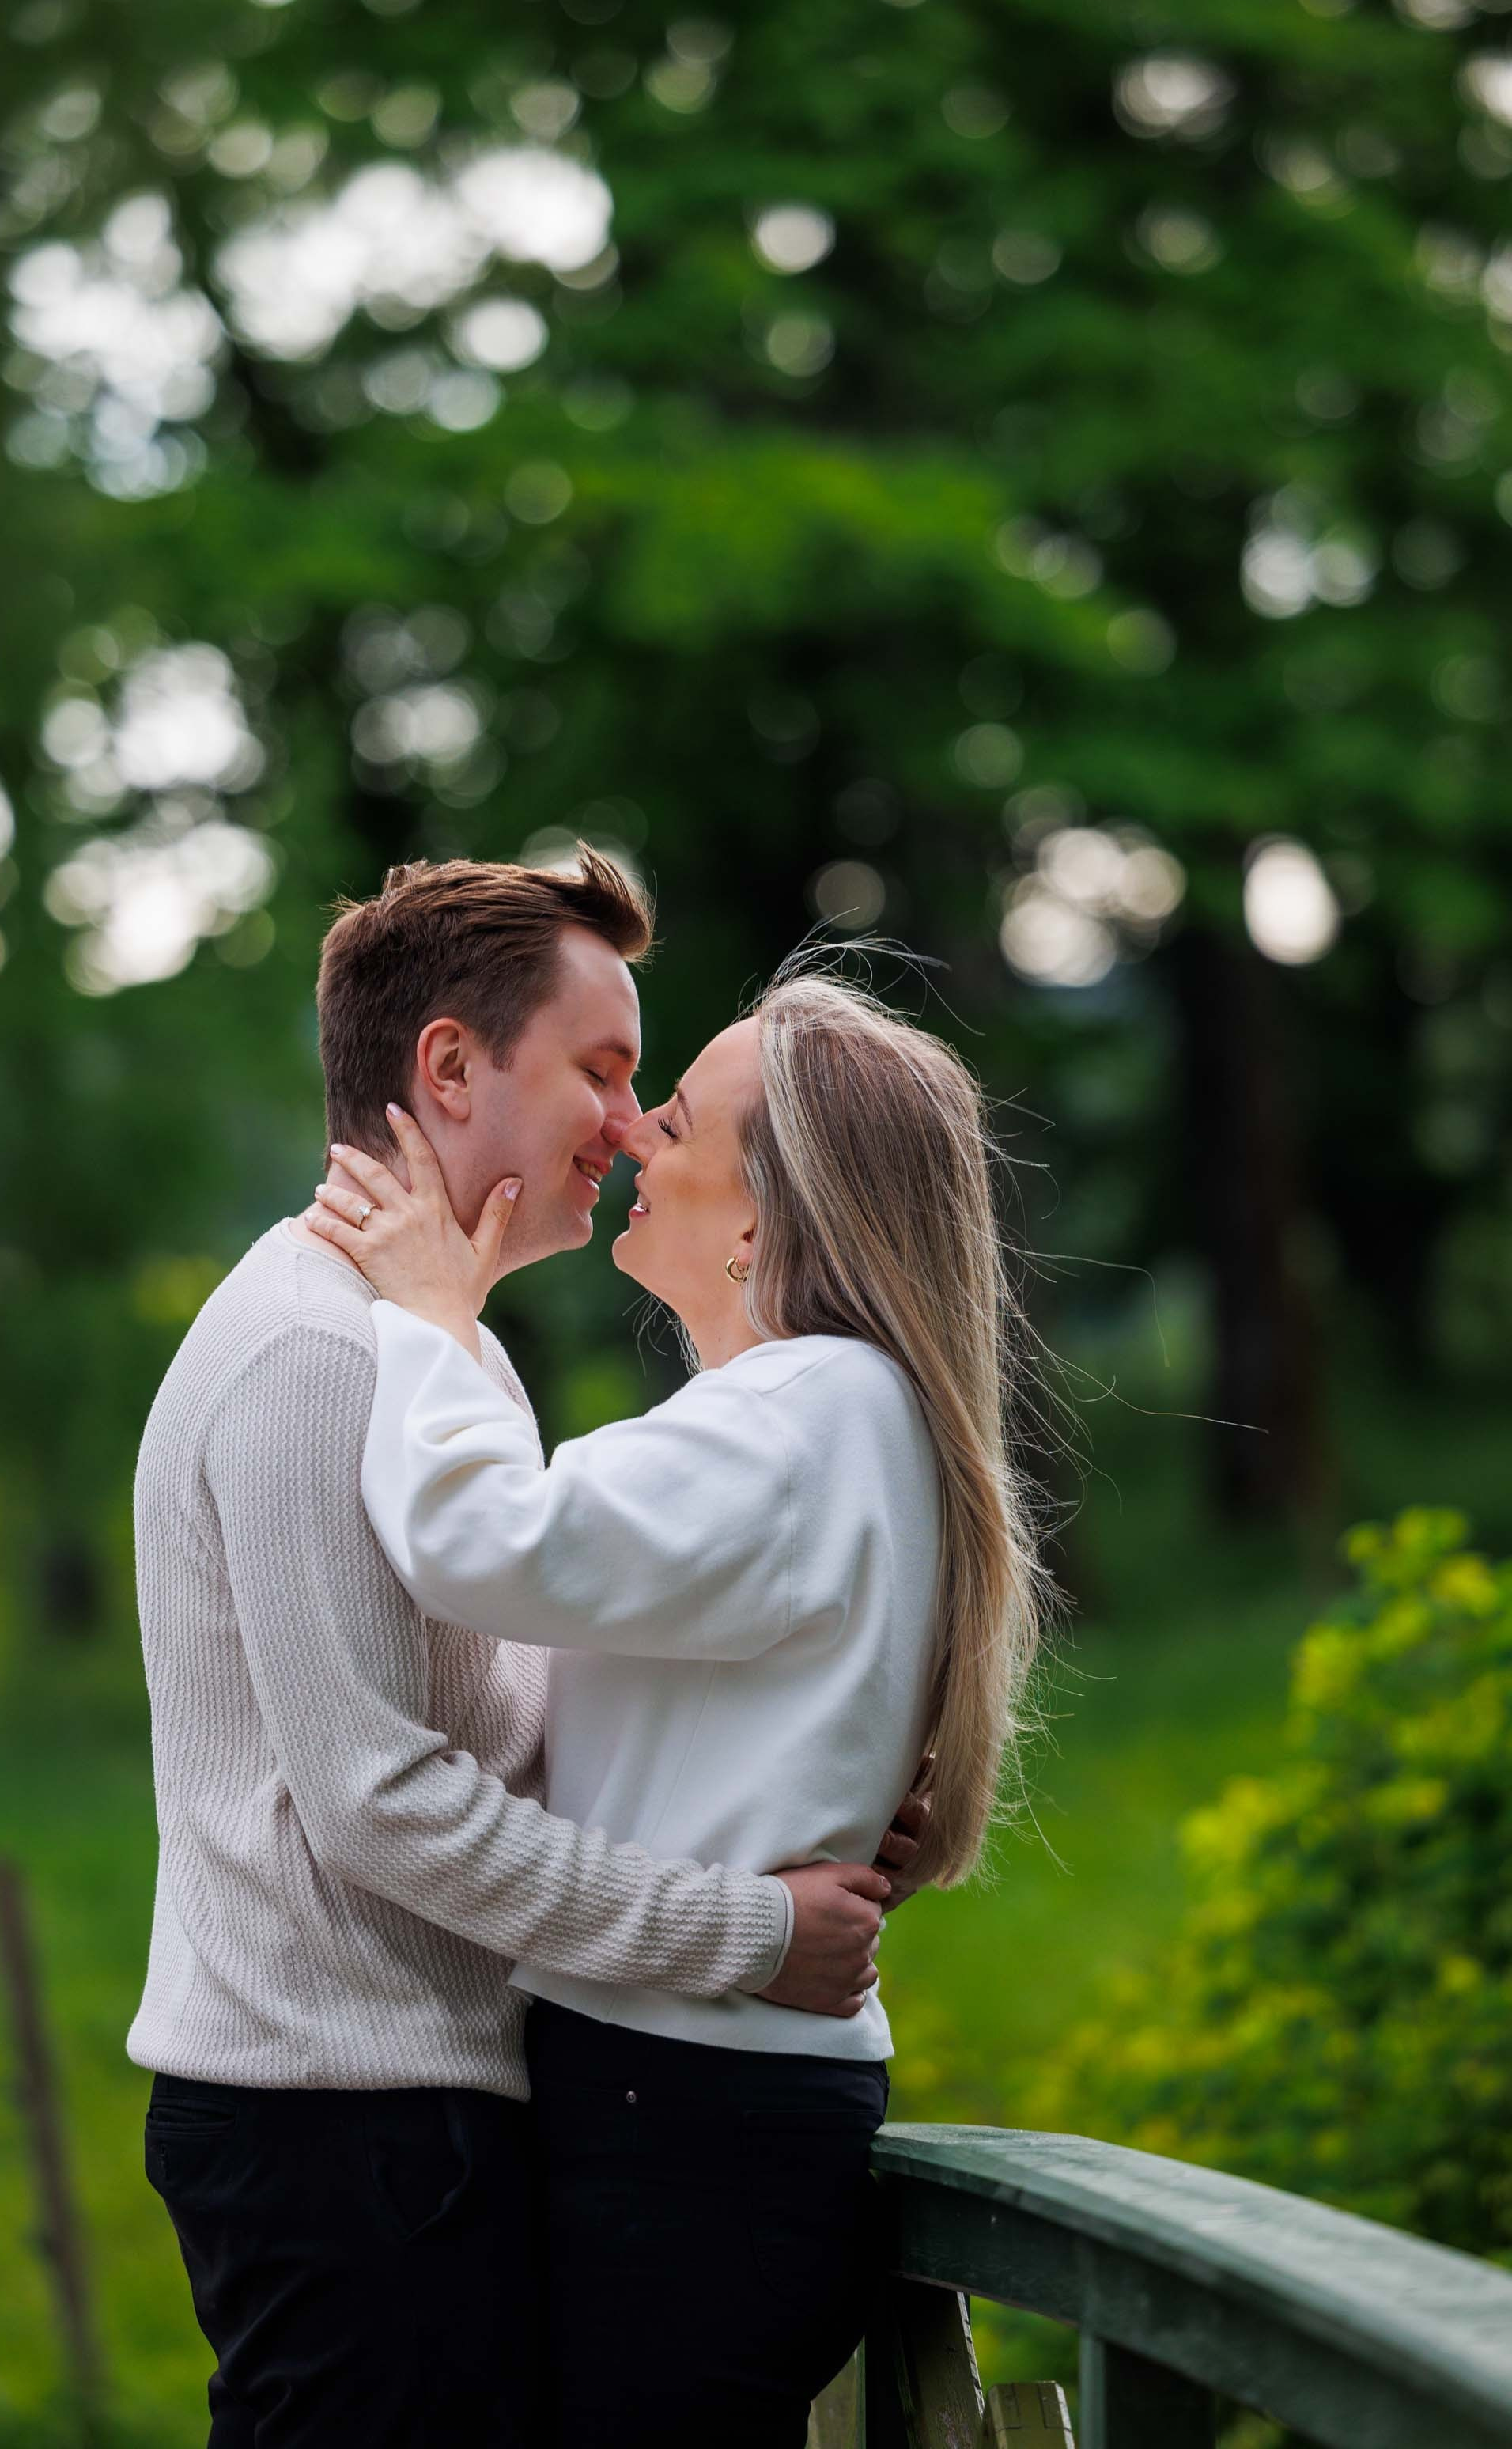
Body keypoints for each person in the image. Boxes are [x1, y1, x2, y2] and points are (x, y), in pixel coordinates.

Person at [128, 850, 913, 2449]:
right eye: (605, 1071)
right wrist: (741, 1932)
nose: (629, 1126)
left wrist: (773, 1777)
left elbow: (508, 1713)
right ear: (447, 1066)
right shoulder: (312, 1353)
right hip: (336, 2125)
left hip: (413, 2116)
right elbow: (381, 1803)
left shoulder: (440, 1345)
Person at [303, 957, 1051, 2448]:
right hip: (711, 2094)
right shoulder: (833, 1411)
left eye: (683, 1117)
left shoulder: (803, 1412)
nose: (635, 1132)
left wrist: (434, 1315)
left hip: (687, 2107)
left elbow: (482, 1543)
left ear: (772, 1205)